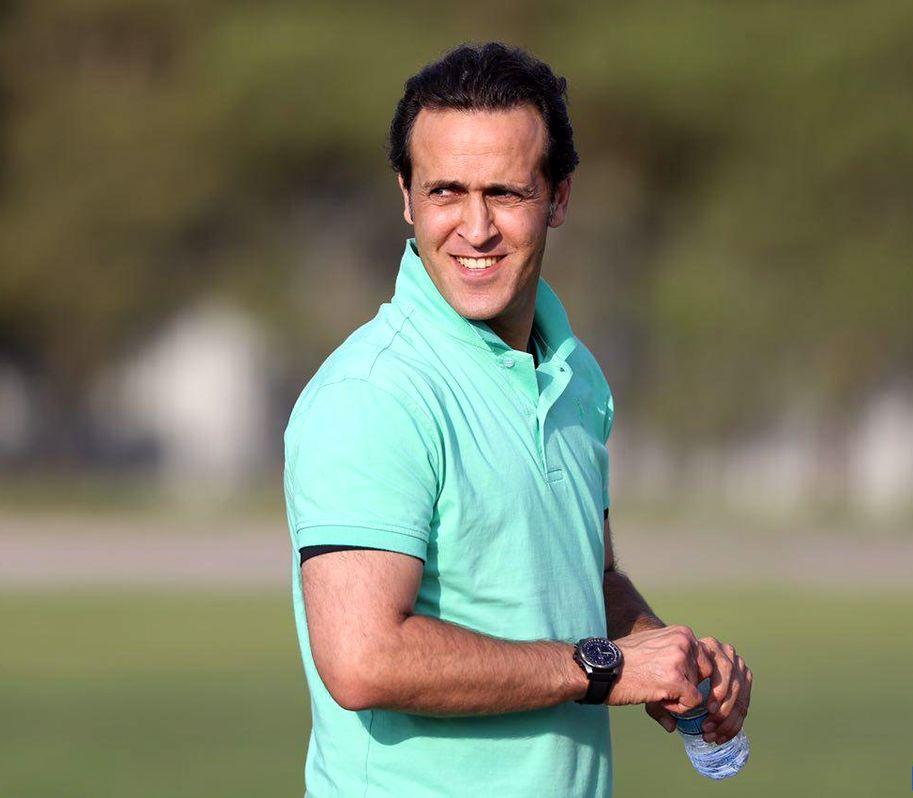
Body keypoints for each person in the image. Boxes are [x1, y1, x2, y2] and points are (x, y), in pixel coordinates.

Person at [282, 41, 752, 798]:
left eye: (505, 193)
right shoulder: (372, 394)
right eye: (445, 192)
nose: (475, 229)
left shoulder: (576, 375)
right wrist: (607, 669)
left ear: (558, 198)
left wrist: (669, 662)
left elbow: (587, 580)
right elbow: (364, 660)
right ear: (406, 196)